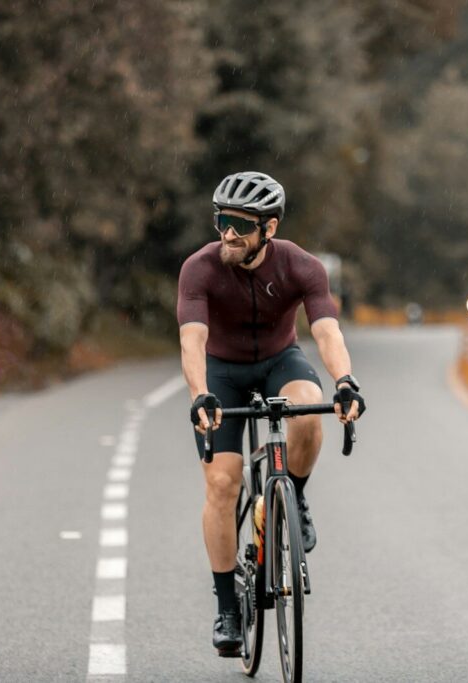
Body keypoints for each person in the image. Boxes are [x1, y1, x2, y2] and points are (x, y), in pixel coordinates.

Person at [176, 171, 366, 657]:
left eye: (241, 223)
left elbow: (326, 331)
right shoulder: (199, 269)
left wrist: (344, 381)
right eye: (222, 219)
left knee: (308, 410)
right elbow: (192, 340)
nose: (228, 233)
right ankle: (225, 607)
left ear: (270, 228)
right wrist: (200, 393)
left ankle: (293, 495)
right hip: (221, 370)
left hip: (280, 360)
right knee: (222, 484)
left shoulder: (302, 267)